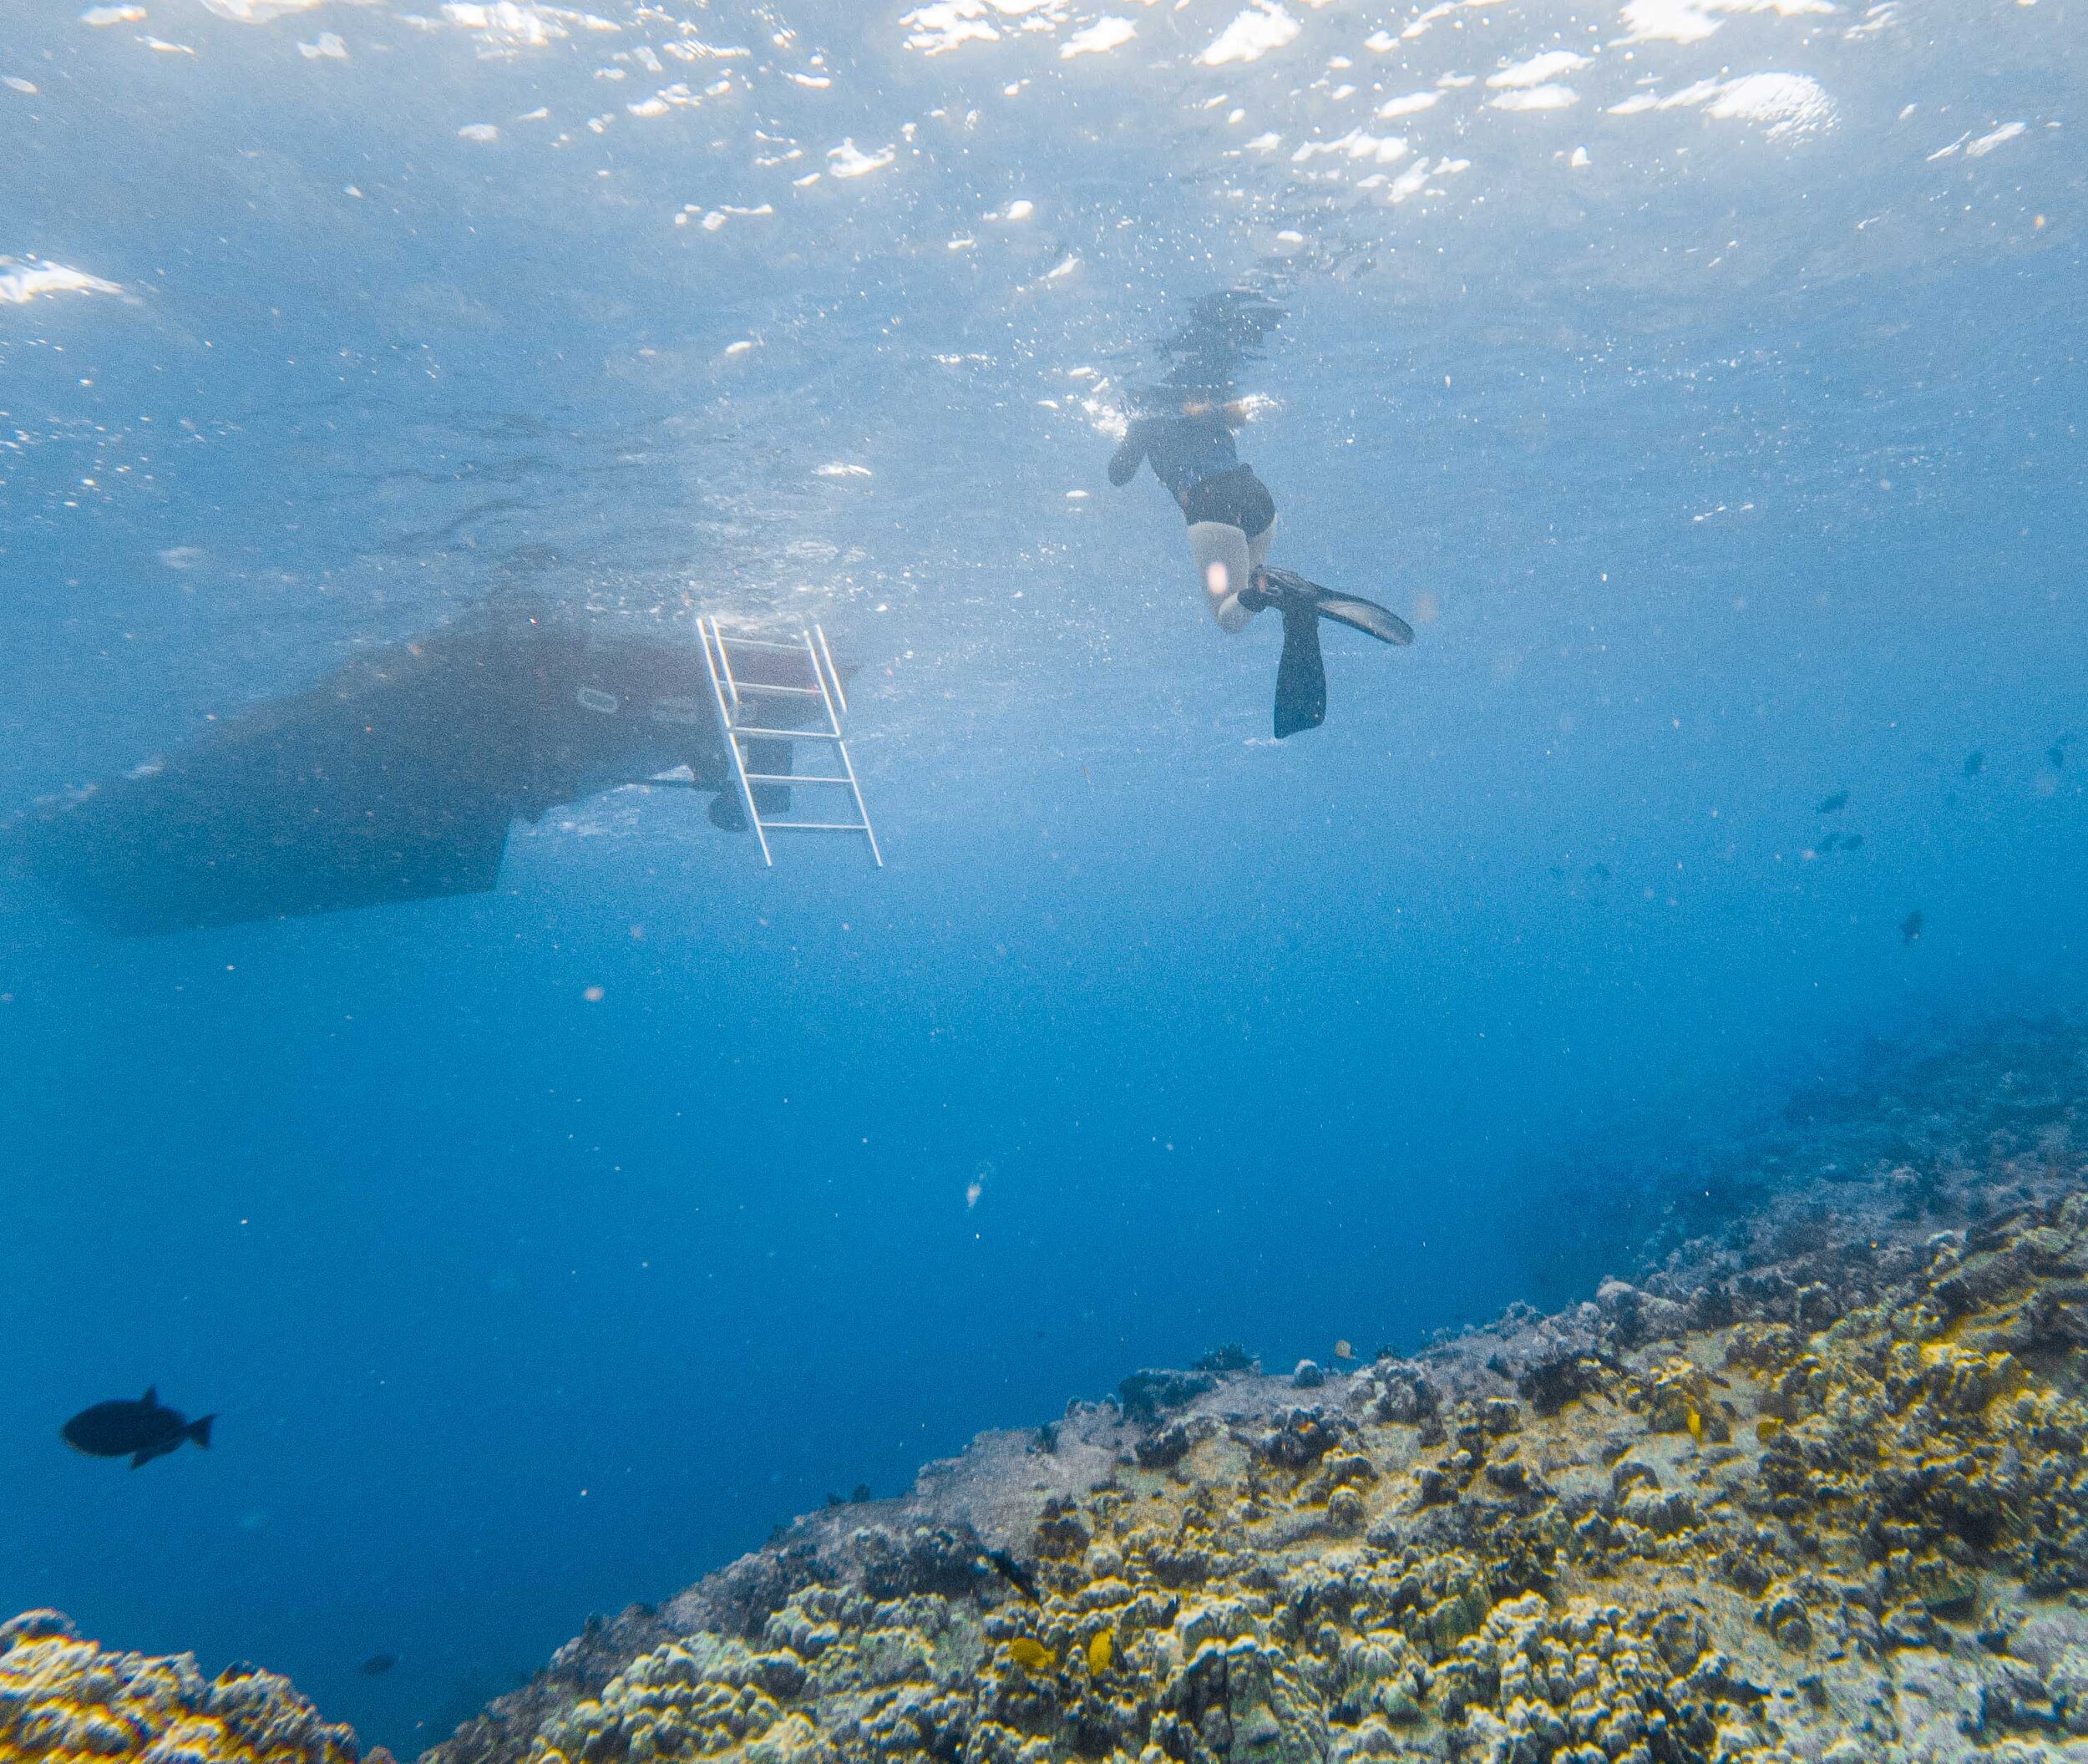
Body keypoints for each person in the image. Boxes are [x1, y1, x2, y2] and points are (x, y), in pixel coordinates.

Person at [1108, 400, 1413, 738]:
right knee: (1254, 586)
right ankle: (1287, 597)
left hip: (1210, 505)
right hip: (1256, 498)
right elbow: (1239, 414)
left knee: (1230, 616)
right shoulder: (1206, 402)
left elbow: (1118, 474)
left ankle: (1273, 592)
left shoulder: (1147, 420)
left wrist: (1136, 431)